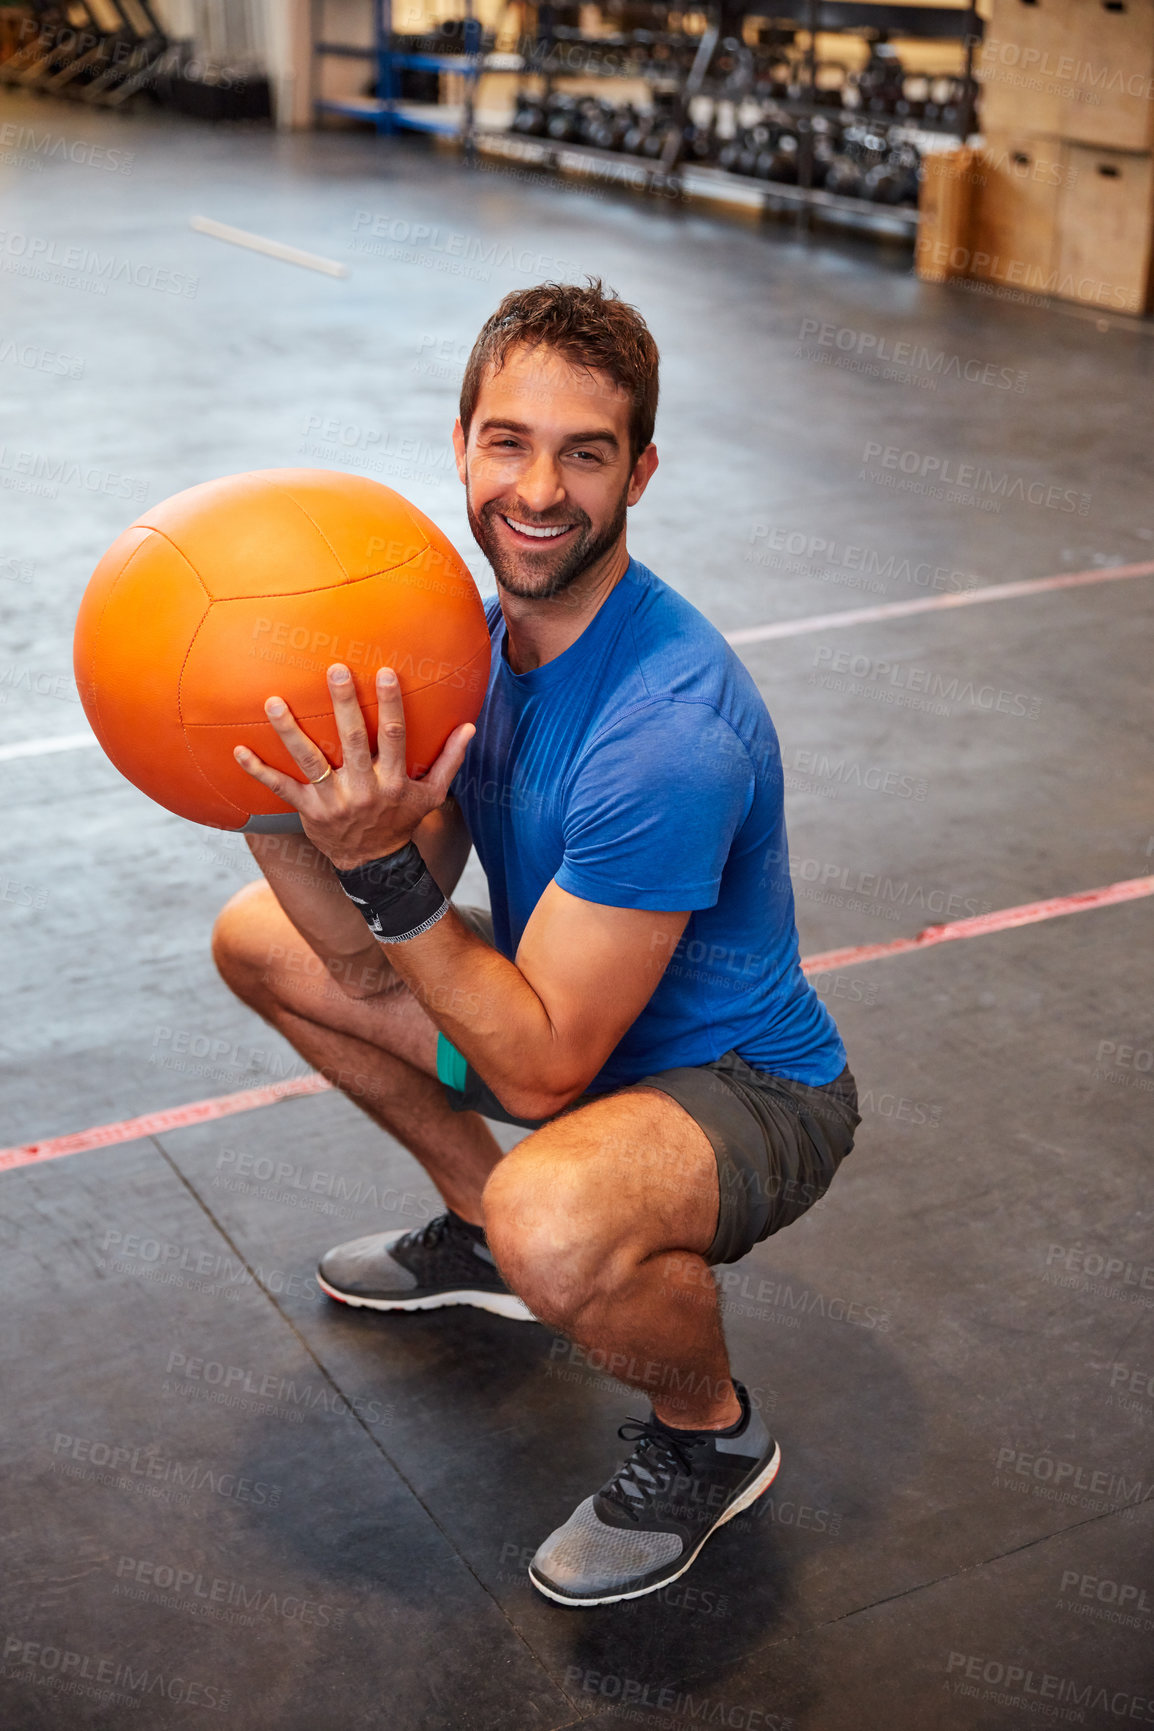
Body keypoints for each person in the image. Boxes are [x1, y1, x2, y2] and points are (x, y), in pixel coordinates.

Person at [212, 278, 859, 1608]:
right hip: (561, 1027)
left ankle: (709, 1433)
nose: (539, 489)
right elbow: (355, 940)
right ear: (460, 444)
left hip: (738, 1082)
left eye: (585, 452)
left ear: (641, 471)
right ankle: (475, 1235)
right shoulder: (467, 642)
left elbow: (541, 1075)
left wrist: (380, 868)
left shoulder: (666, 728)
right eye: (508, 441)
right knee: (256, 936)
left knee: (552, 1217)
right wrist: (271, 807)